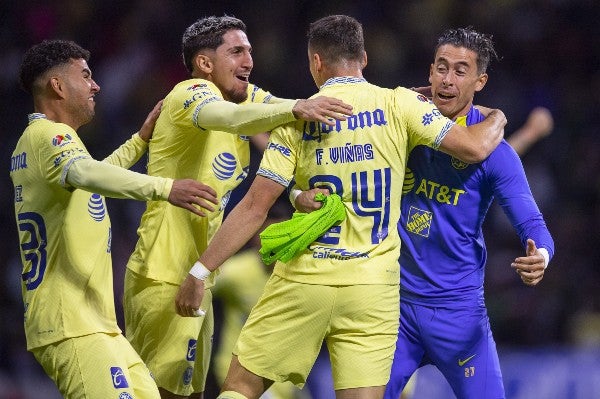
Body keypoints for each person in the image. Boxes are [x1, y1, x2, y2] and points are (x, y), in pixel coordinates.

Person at [175, 15, 506, 399]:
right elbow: (476, 147)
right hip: (371, 289)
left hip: (306, 280)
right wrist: (497, 116)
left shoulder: (298, 116)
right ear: (363, 58)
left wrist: (200, 271)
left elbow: (254, 208)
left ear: (316, 62)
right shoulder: (400, 104)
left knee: (241, 388)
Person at [122, 15, 353, 399]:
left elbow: (285, 110)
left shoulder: (246, 101)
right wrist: (297, 107)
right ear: (205, 63)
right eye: (236, 52)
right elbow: (231, 117)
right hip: (162, 273)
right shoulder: (189, 93)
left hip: (198, 272)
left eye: (249, 51)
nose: (248, 60)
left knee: (192, 394)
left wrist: (388, 103)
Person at [10, 39, 219, 399]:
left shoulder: (40, 144)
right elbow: (89, 175)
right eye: (86, 75)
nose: (96, 85)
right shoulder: (48, 135)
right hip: (71, 325)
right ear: (58, 86)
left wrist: (139, 141)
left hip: (97, 324)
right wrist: (166, 187)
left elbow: (91, 178)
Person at [379, 28, 555, 399]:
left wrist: (540, 255)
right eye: (441, 68)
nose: (447, 79)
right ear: (429, 73)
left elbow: (533, 224)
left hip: (459, 316)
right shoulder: (403, 128)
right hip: (396, 310)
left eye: (460, 71)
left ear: (480, 81)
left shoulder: (496, 153)